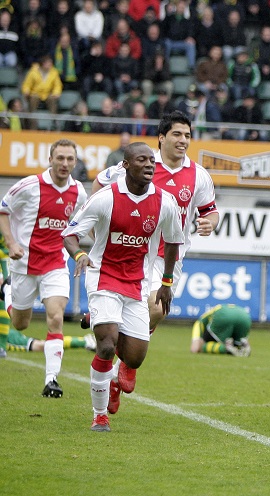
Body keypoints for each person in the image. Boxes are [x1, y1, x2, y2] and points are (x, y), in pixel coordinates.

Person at [89, 112, 218, 390]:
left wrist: (210, 223)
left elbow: (210, 210)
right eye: (177, 134)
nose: (183, 140)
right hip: (135, 251)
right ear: (161, 137)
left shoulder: (199, 175)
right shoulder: (142, 162)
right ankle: (112, 334)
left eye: (187, 135)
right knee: (151, 305)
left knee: (158, 309)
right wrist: (97, 224)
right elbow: (100, 183)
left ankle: (122, 366)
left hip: (171, 255)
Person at [62, 141, 184, 432]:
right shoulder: (105, 198)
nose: (149, 165)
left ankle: (99, 318)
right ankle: (99, 416)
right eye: (142, 160)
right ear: (126, 166)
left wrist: (166, 282)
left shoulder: (165, 202)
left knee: (134, 357)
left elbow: (173, 242)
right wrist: (79, 255)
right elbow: (70, 234)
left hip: (137, 283)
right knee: (106, 346)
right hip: (103, 277)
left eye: (151, 160)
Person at [0, 139, 88, 397]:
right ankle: (7, 292)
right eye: (60, 158)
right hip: (24, 264)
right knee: (21, 323)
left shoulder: (79, 192)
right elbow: (3, 210)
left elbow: (84, 222)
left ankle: (51, 380)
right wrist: (11, 242)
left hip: (55, 263)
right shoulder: (29, 186)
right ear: (50, 159)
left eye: (70, 159)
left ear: (75, 161)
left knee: (56, 317)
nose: (65, 163)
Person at [5, 328, 96, 353]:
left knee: (41, 346)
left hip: (5, 335)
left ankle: (85, 342)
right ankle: (85, 341)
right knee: (43, 345)